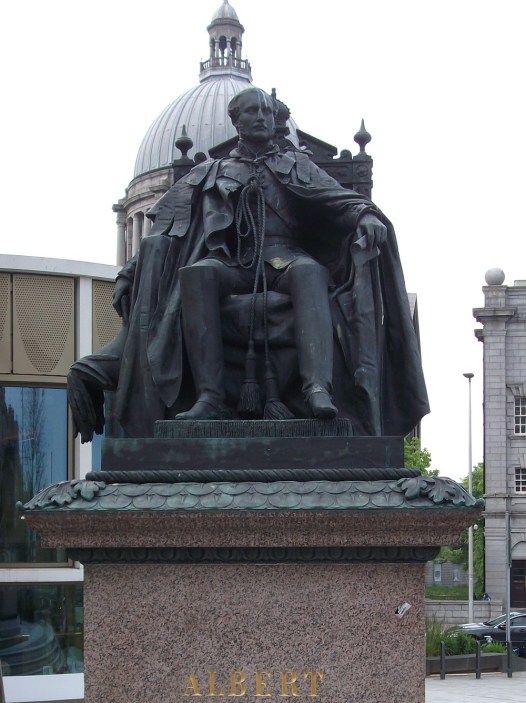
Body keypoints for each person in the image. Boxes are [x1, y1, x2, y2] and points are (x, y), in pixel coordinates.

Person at [68, 88, 429, 441]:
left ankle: (317, 387)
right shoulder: (209, 172)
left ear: (275, 121)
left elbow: (341, 200)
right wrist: (130, 273)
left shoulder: (297, 165)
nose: (260, 117)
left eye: (266, 112)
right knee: (197, 274)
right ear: (235, 121)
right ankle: (210, 397)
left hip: (285, 257)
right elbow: (165, 230)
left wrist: (365, 215)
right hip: (233, 262)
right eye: (251, 112)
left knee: (308, 271)